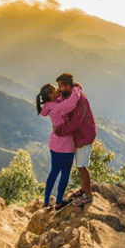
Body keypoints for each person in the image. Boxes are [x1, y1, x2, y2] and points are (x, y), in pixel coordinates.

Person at [36, 82, 81, 210]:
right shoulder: (58, 108)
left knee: (54, 171)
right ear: (50, 95)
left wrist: (66, 89)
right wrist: (76, 90)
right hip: (65, 144)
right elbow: (71, 103)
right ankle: (59, 201)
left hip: (54, 143)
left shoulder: (49, 106)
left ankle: (46, 200)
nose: (57, 91)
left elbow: (61, 99)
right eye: (55, 90)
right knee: (65, 173)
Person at [54, 73, 96, 207]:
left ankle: (88, 195)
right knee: (80, 164)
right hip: (81, 135)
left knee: (82, 165)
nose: (59, 89)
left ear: (68, 85)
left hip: (84, 135)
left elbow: (76, 122)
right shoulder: (73, 94)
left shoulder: (79, 99)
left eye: (60, 86)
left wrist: (61, 131)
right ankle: (84, 188)